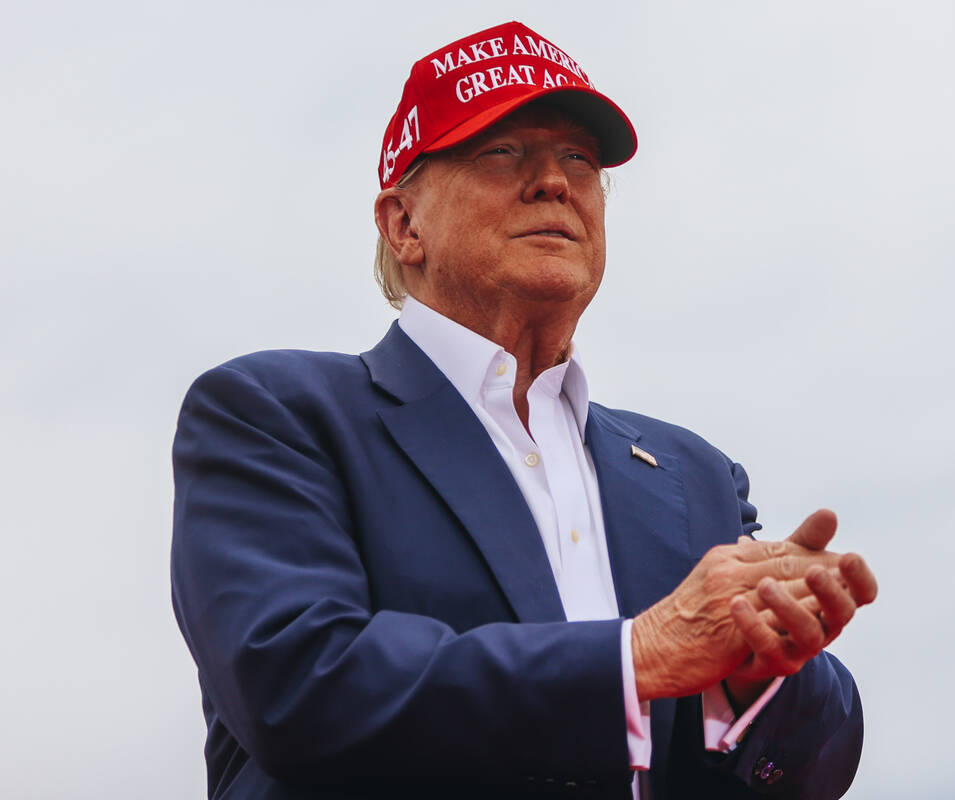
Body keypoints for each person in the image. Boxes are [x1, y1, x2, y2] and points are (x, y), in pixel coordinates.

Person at [171, 21, 878, 800]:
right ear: (403, 224)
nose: (555, 182)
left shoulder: (695, 476)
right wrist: (635, 658)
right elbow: (299, 683)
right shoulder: (276, 417)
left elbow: (817, 765)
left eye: (578, 158)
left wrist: (753, 683)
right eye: (502, 152)